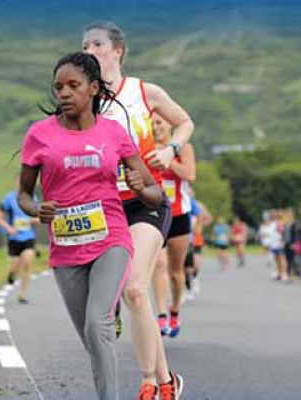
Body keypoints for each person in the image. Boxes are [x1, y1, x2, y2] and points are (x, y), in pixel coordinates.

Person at [18, 52, 163, 400]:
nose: (64, 93)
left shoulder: (114, 133)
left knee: (96, 326)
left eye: (73, 85)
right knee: (92, 338)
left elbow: (156, 195)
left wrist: (143, 188)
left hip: (111, 236)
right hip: (66, 248)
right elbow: (23, 193)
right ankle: (108, 311)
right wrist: (38, 209)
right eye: (58, 87)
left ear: (94, 88)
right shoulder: (39, 136)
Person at [83, 21, 193, 399]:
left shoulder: (144, 92)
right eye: (84, 46)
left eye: (96, 44)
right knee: (131, 296)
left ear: (118, 51)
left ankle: (147, 383)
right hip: (105, 206)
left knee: (134, 289)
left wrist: (171, 150)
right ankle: (167, 383)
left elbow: (185, 122)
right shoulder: (86, 100)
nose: (89, 50)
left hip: (146, 201)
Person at [150, 114, 195, 337]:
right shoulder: (145, 147)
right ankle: (160, 316)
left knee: (176, 272)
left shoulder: (183, 148)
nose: (156, 126)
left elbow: (189, 174)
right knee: (158, 264)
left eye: (159, 122)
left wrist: (167, 153)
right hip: (155, 213)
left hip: (179, 215)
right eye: (152, 122)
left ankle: (174, 309)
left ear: (169, 124)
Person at [0, 176, 39, 303]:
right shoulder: (8, 199)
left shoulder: (32, 199)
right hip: (14, 238)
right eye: (20, 182)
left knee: (27, 263)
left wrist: (30, 221)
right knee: (15, 265)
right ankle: (12, 273)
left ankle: (22, 294)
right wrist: (9, 229)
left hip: (29, 237)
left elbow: (39, 219)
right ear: (15, 183)